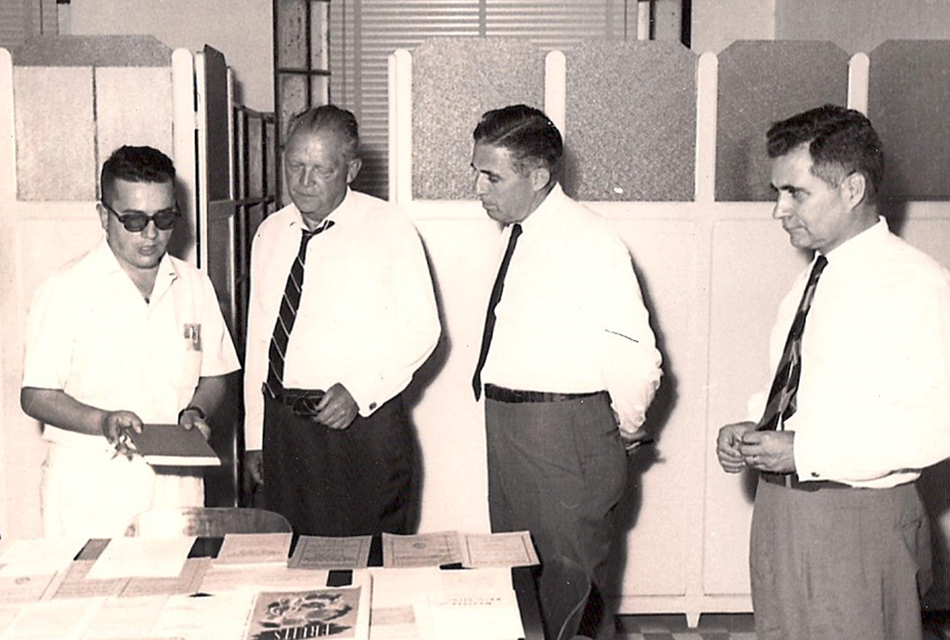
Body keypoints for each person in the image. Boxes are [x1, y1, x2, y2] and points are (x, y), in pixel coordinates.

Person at [716, 104, 950, 640]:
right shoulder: (813, 277)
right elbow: (803, 384)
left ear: (852, 189)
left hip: (858, 520)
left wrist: (804, 451)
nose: (780, 210)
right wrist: (755, 427)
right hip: (785, 514)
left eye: (795, 193)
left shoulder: (915, 284)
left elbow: (937, 424)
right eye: (778, 192)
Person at [469, 104, 662, 636]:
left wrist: (621, 425)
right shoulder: (522, 232)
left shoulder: (589, 241)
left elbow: (636, 356)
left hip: (564, 437)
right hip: (512, 431)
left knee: (572, 595)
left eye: (492, 176)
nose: (480, 188)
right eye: (478, 173)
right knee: (519, 588)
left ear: (538, 177)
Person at [21, 145, 241, 539]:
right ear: (104, 216)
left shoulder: (193, 284)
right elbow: (36, 394)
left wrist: (197, 412)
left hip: (177, 487)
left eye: (165, 217)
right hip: (93, 487)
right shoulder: (66, 290)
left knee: (181, 595)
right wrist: (102, 421)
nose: (152, 234)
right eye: (135, 220)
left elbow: (215, 375)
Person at [243, 105, 440, 537]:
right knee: (288, 566)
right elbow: (261, 341)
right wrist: (256, 434)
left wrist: (359, 391)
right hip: (284, 432)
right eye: (295, 166)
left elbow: (422, 328)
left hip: (358, 429)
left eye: (321, 169)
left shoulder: (388, 228)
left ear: (351, 170)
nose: (304, 182)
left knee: (363, 564)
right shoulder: (271, 233)